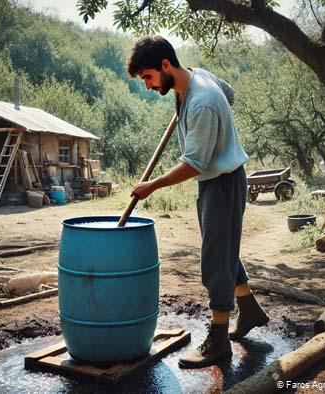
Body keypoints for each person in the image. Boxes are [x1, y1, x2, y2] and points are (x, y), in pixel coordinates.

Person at [127, 36, 269, 369]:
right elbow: (229, 93)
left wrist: (153, 185)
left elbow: (194, 164)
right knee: (222, 248)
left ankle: (218, 341)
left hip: (221, 182)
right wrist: (206, 120)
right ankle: (248, 309)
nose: (147, 86)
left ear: (165, 66)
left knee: (214, 258)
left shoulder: (201, 101)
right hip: (218, 181)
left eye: (148, 77)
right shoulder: (196, 79)